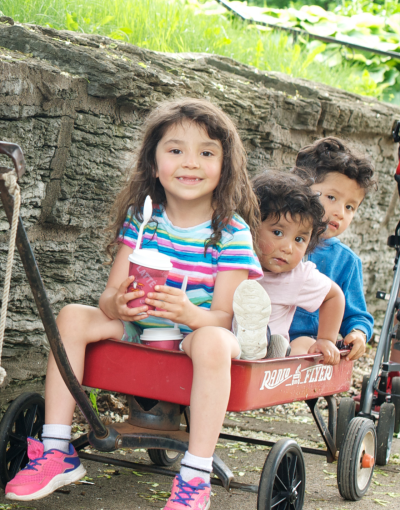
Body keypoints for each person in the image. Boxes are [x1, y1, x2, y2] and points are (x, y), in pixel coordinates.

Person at [5, 98, 264, 510]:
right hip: (142, 328)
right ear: (154, 160)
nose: (190, 163)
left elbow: (222, 317)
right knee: (73, 316)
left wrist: (188, 315)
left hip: (197, 334)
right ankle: (57, 450)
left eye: (207, 152)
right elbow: (109, 298)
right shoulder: (145, 221)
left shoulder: (230, 233)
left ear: (225, 165)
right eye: (175, 150)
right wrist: (120, 305)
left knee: (213, 340)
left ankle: (195, 476)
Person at [232, 171, 345, 364]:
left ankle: (264, 347)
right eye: (277, 232)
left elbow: (334, 296)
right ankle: (242, 343)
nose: (288, 248)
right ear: (251, 225)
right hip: (227, 351)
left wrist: (326, 339)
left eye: (299, 239)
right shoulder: (232, 261)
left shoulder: (298, 276)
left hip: (270, 363)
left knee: (275, 346)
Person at [289, 137, 376, 361]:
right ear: (302, 187)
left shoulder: (346, 261)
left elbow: (356, 313)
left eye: (350, 207)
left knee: (304, 346)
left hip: (309, 344)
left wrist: (357, 333)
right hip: (263, 333)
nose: (340, 212)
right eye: (331, 197)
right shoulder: (275, 240)